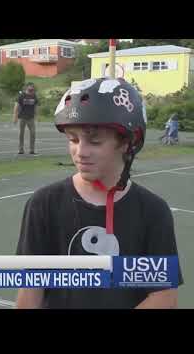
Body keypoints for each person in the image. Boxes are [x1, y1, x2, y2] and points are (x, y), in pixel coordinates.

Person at [16, 78, 183, 309]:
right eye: (73, 140)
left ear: (127, 142)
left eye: (94, 141)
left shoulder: (152, 211)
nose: (80, 152)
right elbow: (31, 289)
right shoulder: (44, 203)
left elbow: (163, 297)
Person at [13, 83, 39, 154]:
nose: (31, 91)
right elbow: (16, 107)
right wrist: (15, 117)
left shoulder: (34, 96)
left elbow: (36, 107)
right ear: (27, 88)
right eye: (30, 89)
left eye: (33, 89)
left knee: (33, 133)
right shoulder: (21, 96)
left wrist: (36, 116)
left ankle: (32, 150)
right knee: (21, 134)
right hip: (22, 117)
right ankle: (20, 149)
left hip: (31, 118)